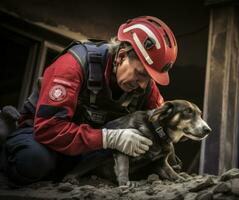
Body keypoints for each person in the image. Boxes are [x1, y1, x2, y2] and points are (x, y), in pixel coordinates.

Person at [1, 16, 178, 185]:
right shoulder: (73, 65)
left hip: (90, 151)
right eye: (140, 74)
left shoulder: (145, 86)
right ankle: (7, 138)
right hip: (46, 139)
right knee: (32, 161)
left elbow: (160, 126)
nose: (142, 85)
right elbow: (48, 129)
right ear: (122, 56)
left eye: (149, 78)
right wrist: (108, 138)